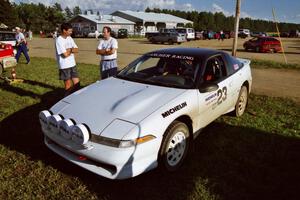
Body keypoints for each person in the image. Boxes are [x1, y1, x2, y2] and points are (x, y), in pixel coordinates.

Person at [55, 23, 80, 97]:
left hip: (73, 64)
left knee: (77, 83)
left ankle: (76, 98)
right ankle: (66, 99)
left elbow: (77, 49)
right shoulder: (59, 40)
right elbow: (64, 55)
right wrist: (71, 50)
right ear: (64, 30)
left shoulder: (69, 38)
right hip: (64, 66)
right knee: (68, 85)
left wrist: (69, 50)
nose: (71, 32)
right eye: (69, 31)